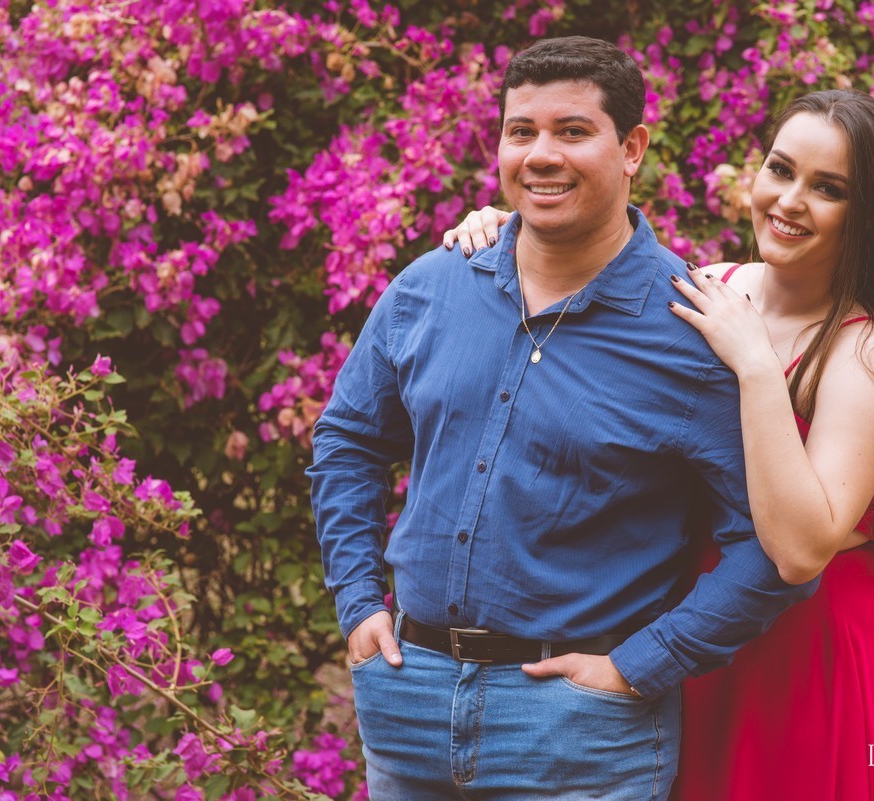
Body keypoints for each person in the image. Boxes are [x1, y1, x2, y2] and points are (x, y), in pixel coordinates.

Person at [308, 36, 816, 801]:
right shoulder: (430, 287)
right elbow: (348, 440)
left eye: (572, 131)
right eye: (522, 131)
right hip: (409, 702)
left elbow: (773, 547)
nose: (541, 155)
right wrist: (356, 602)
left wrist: (641, 664)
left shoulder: (693, 333)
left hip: (583, 733)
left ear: (633, 148)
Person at [444, 89, 874, 800]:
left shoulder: (867, 354)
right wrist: (513, 229)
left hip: (809, 656)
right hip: (699, 629)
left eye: (829, 188)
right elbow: (580, 303)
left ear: (864, 214)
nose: (790, 200)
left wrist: (756, 367)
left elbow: (800, 551)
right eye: (781, 169)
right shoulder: (709, 286)